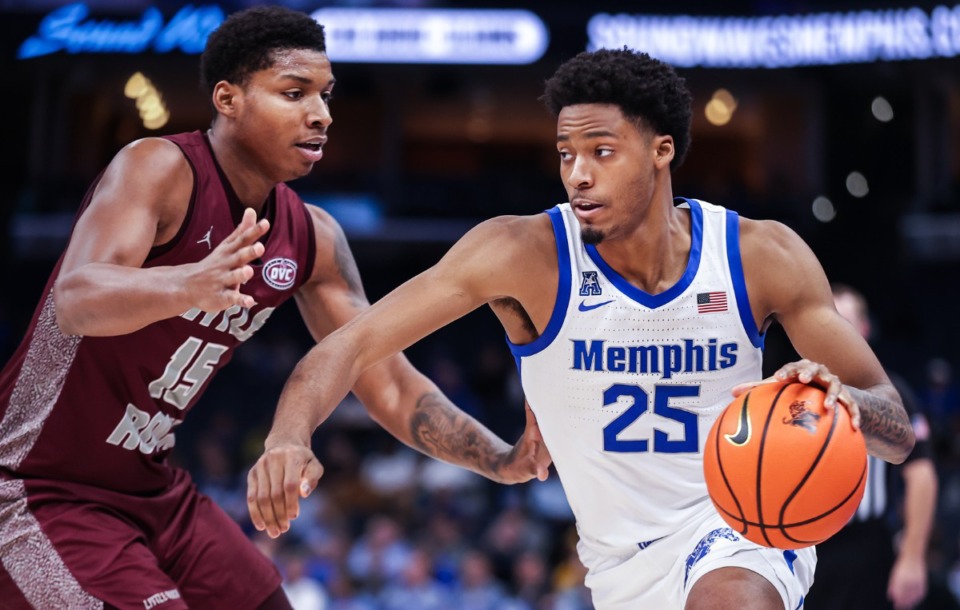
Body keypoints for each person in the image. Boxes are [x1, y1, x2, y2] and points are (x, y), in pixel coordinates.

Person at [248, 48, 916, 609]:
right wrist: (287, 434)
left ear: (660, 151)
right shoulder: (522, 253)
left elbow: (895, 430)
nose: (578, 174)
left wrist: (843, 403)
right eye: (566, 153)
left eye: (601, 151)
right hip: (619, 565)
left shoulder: (759, 256)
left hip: (743, 526)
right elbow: (350, 345)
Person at [0, 6, 548, 610]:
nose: (321, 114)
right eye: (294, 93)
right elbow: (75, 300)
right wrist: (188, 284)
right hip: (34, 488)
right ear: (228, 98)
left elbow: (386, 383)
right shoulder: (158, 167)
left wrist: (498, 459)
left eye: (326, 95)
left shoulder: (313, 236)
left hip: (153, 489)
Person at [803, 284, 938, 610]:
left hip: (865, 546)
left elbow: (921, 476)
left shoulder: (890, 395)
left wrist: (912, 557)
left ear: (863, 329)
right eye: (828, 324)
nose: (835, 335)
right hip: (801, 541)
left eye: (844, 324)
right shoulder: (793, 391)